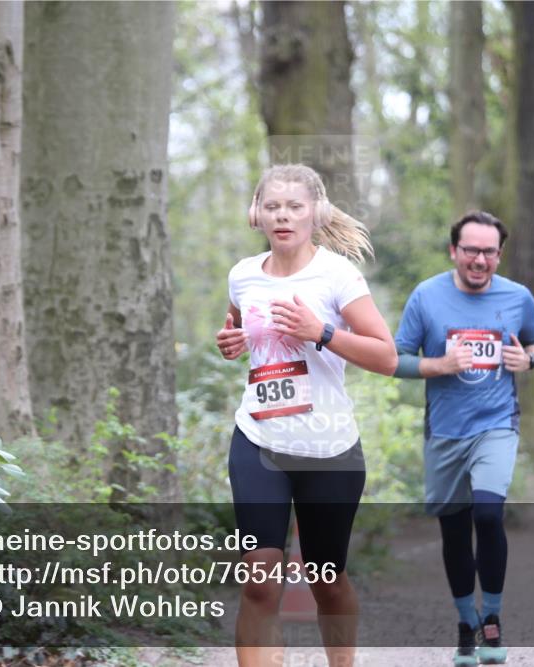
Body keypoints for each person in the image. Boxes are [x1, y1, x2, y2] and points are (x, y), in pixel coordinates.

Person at [216, 164, 397, 667]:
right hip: (258, 439)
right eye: (272, 206)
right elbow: (237, 325)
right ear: (256, 214)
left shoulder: (337, 275)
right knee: (259, 580)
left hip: (328, 448)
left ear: (314, 213)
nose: (283, 215)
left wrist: (321, 331)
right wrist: (230, 340)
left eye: (295, 206)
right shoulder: (243, 274)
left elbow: (386, 357)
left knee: (326, 580)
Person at [393, 210, 534, 666]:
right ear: (453, 251)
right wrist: (439, 365)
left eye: (489, 252)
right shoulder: (427, 296)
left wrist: (530, 360)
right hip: (444, 430)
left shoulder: (518, 297)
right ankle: (466, 622)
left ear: (499, 254)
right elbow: (395, 358)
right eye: (470, 251)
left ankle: (492, 620)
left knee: (487, 513)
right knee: (454, 530)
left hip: (496, 423)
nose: (479, 260)